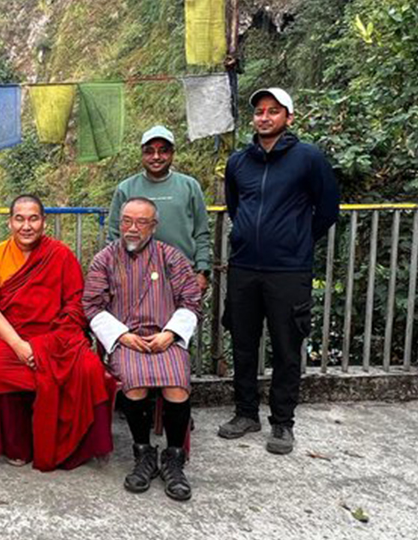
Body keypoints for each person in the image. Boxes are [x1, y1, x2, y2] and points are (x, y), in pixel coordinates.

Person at [217, 88, 340, 454]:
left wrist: (296, 242)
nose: (264, 117)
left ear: (288, 117)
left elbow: (328, 209)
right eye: (259, 111)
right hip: (244, 267)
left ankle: (283, 423)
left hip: (288, 270)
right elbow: (237, 207)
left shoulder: (308, 159)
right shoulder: (239, 162)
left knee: (287, 347)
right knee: (243, 342)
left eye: (273, 111)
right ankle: (245, 413)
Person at [0, 194, 115, 471]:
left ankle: (74, 445)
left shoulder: (60, 254)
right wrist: (19, 345)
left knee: (89, 369)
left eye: (33, 218)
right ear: (9, 223)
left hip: (56, 336)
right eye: (19, 219)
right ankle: (19, 444)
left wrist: (47, 344)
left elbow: (76, 303)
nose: (26, 226)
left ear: (44, 222)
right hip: (9, 335)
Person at [83, 197, 204, 501]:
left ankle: (174, 458)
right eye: (126, 221)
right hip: (127, 340)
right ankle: (143, 453)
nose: (132, 229)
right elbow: (92, 306)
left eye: (141, 222)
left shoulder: (171, 257)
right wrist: (122, 336)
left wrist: (171, 334)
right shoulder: (104, 260)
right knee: (134, 385)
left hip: (165, 338)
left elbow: (191, 301)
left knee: (177, 384)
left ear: (154, 226)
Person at [106, 125, 212, 290]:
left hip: (181, 273)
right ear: (142, 154)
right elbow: (113, 234)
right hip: (135, 276)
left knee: (183, 316)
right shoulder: (126, 188)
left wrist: (202, 271)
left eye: (163, 151)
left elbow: (201, 233)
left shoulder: (189, 186)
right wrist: (115, 271)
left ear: (172, 153)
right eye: (149, 151)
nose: (156, 157)